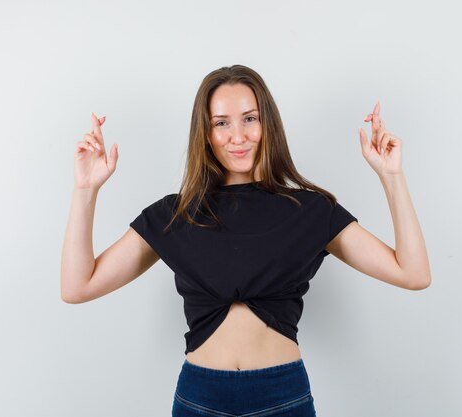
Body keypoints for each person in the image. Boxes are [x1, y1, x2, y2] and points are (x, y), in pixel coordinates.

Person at [60, 64, 432, 417]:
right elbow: (78, 286)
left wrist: (392, 176)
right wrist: (85, 189)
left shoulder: (310, 209)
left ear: (267, 123)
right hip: (200, 396)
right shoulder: (175, 214)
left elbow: (413, 273)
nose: (237, 136)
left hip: (281, 394)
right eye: (221, 123)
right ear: (205, 133)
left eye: (250, 119)